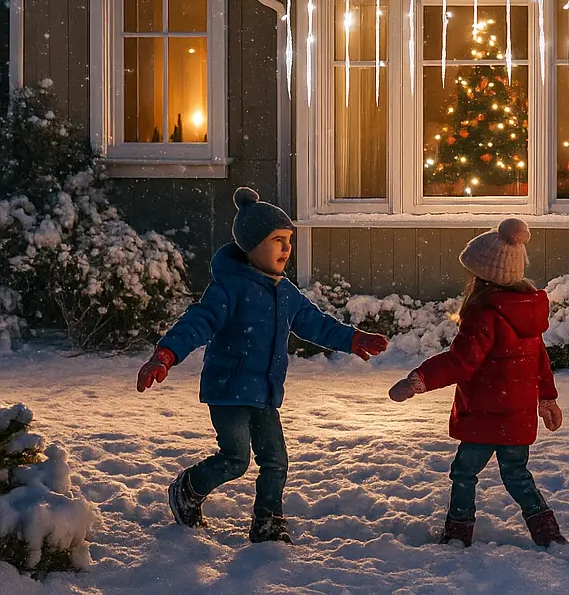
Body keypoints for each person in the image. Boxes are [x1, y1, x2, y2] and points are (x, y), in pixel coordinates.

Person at [136, 186, 389, 543]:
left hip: (265, 393)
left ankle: (268, 520)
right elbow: (198, 322)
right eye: (276, 240)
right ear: (251, 246)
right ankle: (188, 488)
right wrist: (166, 355)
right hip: (228, 392)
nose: (286, 248)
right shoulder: (229, 289)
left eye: (288, 239)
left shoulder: (285, 292)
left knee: (276, 461)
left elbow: (314, 323)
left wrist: (352, 339)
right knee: (235, 459)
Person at [388, 218, 566, 548]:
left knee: (464, 473)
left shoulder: (485, 314)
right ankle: (546, 531)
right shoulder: (527, 313)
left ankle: (458, 530)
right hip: (516, 417)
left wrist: (418, 380)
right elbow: (540, 362)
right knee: (516, 474)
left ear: (483, 276)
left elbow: (461, 362)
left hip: (485, 416)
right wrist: (547, 399)